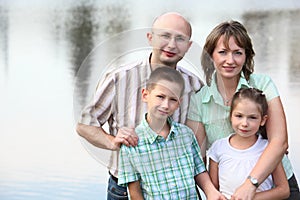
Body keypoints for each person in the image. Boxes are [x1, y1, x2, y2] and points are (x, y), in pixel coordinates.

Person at [76, 12, 203, 199]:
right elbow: (85, 125)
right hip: (126, 189)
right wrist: (112, 142)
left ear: (189, 46)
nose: (171, 45)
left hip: (177, 189)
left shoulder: (195, 86)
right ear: (150, 38)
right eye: (165, 36)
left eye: (180, 39)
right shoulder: (120, 78)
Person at [186, 20, 300, 199]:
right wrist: (211, 192)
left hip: (275, 188)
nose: (230, 61)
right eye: (222, 52)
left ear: (246, 56)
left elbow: (280, 142)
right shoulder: (198, 100)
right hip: (228, 193)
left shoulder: (263, 84)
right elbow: (196, 157)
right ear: (210, 56)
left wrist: (250, 184)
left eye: (237, 53)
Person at [118, 67, 225, 200]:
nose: (165, 105)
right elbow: (135, 194)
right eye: (160, 97)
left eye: (172, 100)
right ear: (145, 95)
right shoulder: (131, 144)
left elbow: (199, 170)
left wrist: (211, 192)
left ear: (178, 103)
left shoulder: (186, 134)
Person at [207, 88, 290, 200]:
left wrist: (250, 197)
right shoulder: (218, 148)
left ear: (263, 120)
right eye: (239, 116)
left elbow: (283, 190)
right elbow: (214, 189)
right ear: (230, 116)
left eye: (252, 117)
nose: (245, 123)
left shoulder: (268, 149)